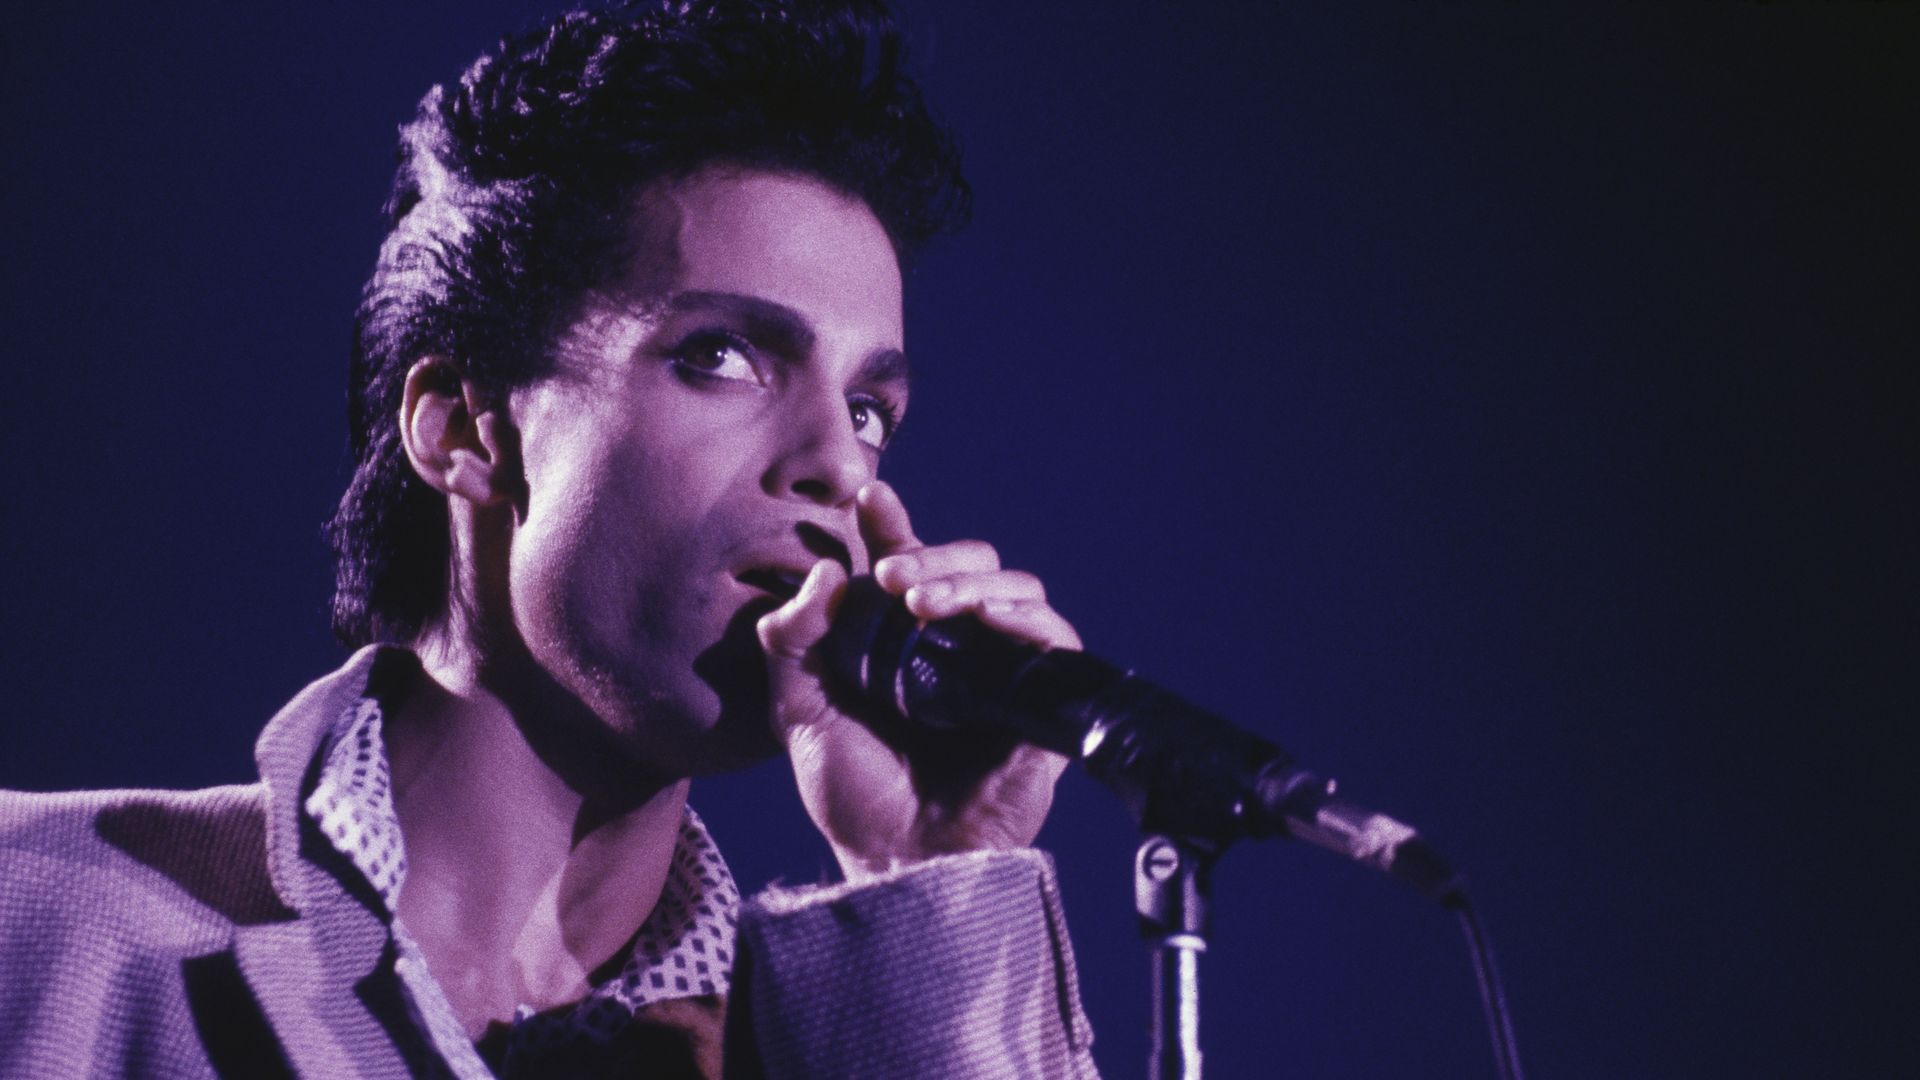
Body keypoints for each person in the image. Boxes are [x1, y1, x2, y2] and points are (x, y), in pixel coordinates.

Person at [0, 2, 1097, 1076]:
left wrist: (937, 881)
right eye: (722, 355)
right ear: (467, 430)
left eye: (868, 410)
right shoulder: (44, 924)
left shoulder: (854, 1044)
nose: (839, 464)